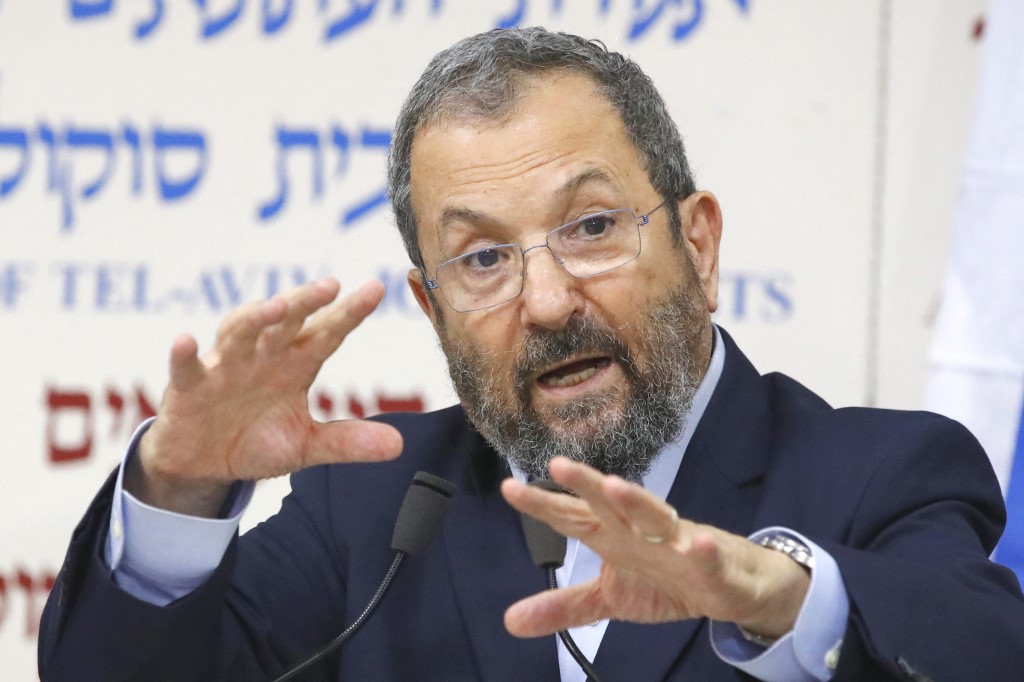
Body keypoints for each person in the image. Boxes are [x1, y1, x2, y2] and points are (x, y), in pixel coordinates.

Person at [39, 27, 1024, 682]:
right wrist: (176, 487)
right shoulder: (377, 515)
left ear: (700, 242)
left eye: (591, 225)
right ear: (432, 309)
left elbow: (984, 649)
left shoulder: (878, 472)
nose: (547, 299)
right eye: (481, 258)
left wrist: (777, 599)